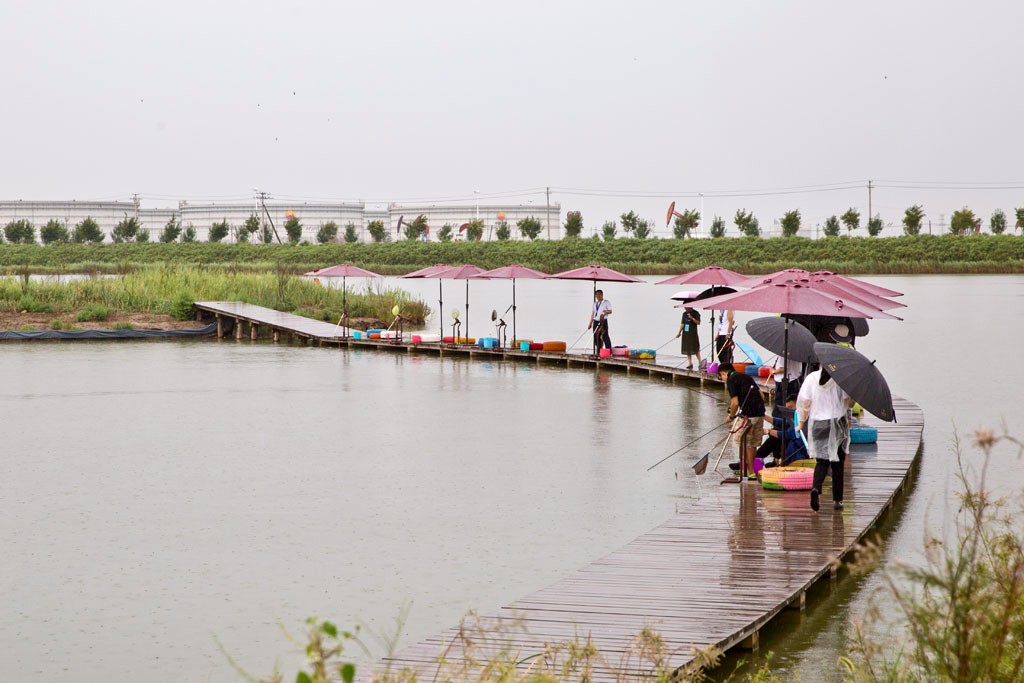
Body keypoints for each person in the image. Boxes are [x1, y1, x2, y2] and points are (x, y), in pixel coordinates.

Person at [797, 365, 854, 512]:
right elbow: (849, 403)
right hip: (837, 423)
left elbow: (805, 402)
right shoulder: (840, 380)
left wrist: (801, 422)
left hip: (818, 423)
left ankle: (816, 488)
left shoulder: (811, 378)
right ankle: (837, 500)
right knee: (837, 463)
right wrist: (853, 395)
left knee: (822, 461)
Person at [718, 363, 766, 480]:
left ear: (724, 373)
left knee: (744, 443)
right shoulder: (747, 377)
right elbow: (762, 395)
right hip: (760, 414)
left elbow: (735, 402)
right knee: (753, 444)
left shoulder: (731, 380)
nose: (722, 378)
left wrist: (731, 416)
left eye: (721, 376)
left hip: (748, 416)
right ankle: (751, 471)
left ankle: (750, 472)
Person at [756, 394, 809, 466]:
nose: (788, 411)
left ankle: (755, 460)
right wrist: (763, 416)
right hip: (792, 447)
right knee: (775, 434)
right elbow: (782, 422)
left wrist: (768, 431)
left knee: (775, 436)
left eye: (790, 407)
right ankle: (756, 459)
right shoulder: (795, 417)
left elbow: (789, 434)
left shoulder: (804, 418)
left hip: (800, 452)